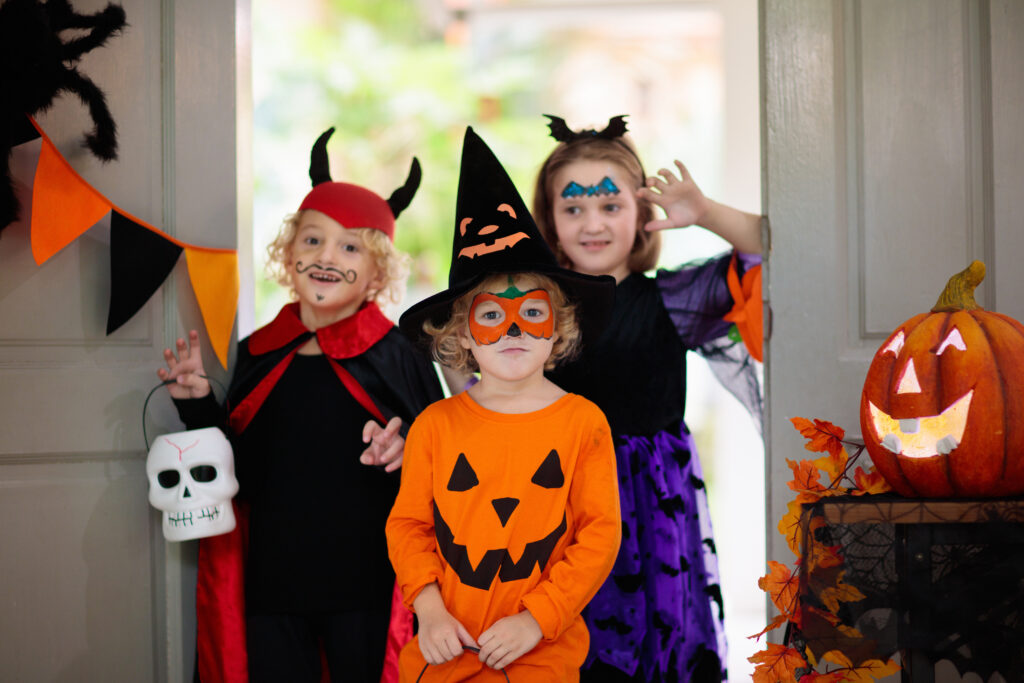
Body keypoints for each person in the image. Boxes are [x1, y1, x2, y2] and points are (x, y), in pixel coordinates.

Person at [157, 127, 444, 683]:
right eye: (312, 240)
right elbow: (232, 460)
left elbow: (443, 446)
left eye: (350, 246)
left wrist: (411, 447)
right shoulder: (259, 351)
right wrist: (198, 406)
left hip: (365, 583)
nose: (326, 258)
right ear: (288, 254)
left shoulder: (400, 353)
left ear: (378, 271)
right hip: (273, 582)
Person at [531, 115, 764, 683]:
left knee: (653, 652)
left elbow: (771, 246)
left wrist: (705, 213)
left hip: (652, 509)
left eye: (611, 206)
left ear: (640, 218)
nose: (593, 223)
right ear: (550, 221)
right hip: (554, 504)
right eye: (574, 208)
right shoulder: (530, 308)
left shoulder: (675, 298)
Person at [386, 127, 622, 682]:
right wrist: (430, 609)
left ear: (557, 326)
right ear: (461, 335)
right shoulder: (436, 426)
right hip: (444, 656)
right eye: (491, 315)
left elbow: (598, 534)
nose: (512, 328)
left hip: (540, 656)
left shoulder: (582, 423)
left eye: (530, 313)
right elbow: (409, 527)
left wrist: (536, 621)